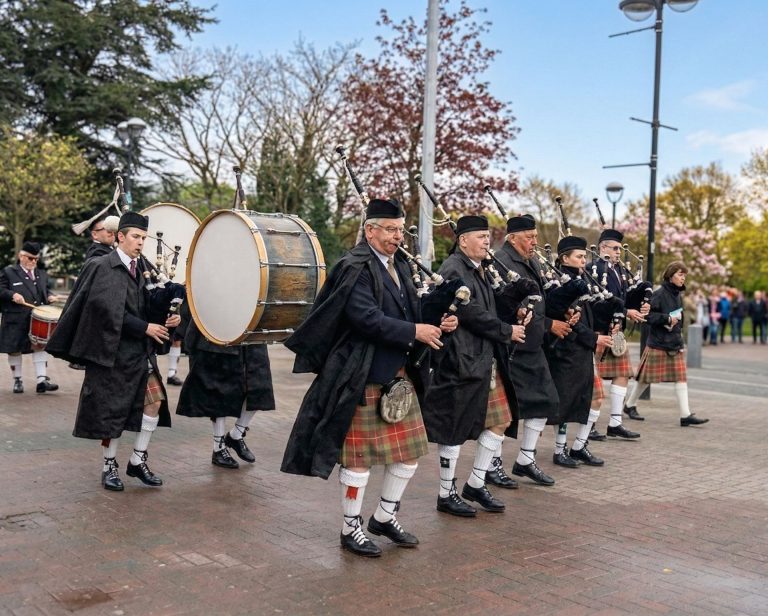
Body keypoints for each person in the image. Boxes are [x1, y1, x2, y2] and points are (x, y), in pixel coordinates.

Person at [281, 198, 454, 558]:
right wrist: (414, 331)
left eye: (400, 230)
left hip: (398, 373)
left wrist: (438, 320)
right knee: (358, 460)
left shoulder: (398, 265)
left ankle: (385, 517)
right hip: (363, 372)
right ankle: (350, 528)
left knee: (408, 455)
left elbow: (411, 309)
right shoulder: (354, 266)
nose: (397, 237)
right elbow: (365, 317)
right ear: (370, 229)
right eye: (389, 230)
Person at [46, 212, 178, 490]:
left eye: (144, 238)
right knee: (113, 410)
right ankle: (109, 465)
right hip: (110, 352)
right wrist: (144, 327)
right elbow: (105, 311)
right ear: (120, 237)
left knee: (154, 403)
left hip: (140, 353)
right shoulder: (102, 266)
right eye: (136, 237)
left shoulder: (146, 268)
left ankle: (137, 460)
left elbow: (153, 305)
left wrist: (169, 319)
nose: (141, 243)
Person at [420, 215, 525, 516]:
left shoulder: (479, 268)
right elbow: (472, 312)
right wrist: (507, 332)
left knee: (500, 419)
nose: (486, 241)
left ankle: (476, 483)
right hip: (460, 359)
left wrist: (516, 312)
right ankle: (445, 493)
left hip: (481, 358)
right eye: (480, 236)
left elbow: (491, 306)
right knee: (453, 428)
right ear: (463, 240)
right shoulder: (454, 268)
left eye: (487, 236)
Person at [492, 214, 561, 486]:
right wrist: (515, 312)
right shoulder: (501, 261)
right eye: (529, 237)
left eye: (535, 236)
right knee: (505, 411)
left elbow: (541, 296)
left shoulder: (531, 259)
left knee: (545, 400)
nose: (535, 241)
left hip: (533, 343)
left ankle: (525, 460)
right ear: (512, 238)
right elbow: (497, 300)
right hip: (511, 347)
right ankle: (492, 464)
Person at [545, 236, 612, 468]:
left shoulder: (581, 278)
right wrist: (593, 338)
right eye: (579, 257)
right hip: (565, 350)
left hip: (581, 351)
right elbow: (567, 320)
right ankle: (559, 449)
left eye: (585, 256)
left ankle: (579, 445)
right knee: (565, 401)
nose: (584, 260)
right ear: (564, 258)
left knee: (594, 397)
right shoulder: (559, 283)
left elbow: (588, 314)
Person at [176, 314, 275, 469]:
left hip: (252, 326)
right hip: (217, 325)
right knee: (219, 390)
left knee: (260, 387)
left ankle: (236, 434)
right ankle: (218, 448)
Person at [623, 262, 708, 427]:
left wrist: (679, 337)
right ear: (670, 276)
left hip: (674, 343)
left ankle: (685, 415)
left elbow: (678, 318)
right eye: (680, 274)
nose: (683, 278)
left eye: (684, 275)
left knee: (681, 378)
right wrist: (666, 319)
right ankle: (629, 405)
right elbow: (645, 316)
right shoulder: (659, 294)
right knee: (645, 379)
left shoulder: (678, 294)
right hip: (658, 343)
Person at [590, 229, 646, 435]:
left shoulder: (618, 271)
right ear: (602, 247)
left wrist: (638, 306)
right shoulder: (593, 268)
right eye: (614, 248)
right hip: (598, 329)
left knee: (622, 374)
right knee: (592, 381)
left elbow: (625, 299)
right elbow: (598, 301)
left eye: (619, 249)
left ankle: (615, 423)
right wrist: (625, 311)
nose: (618, 253)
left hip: (616, 330)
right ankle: (591, 424)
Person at [0, 241, 59, 393]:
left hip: (35, 319)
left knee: (40, 346)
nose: (33, 262)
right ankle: (17, 380)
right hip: (15, 319)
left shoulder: (41, 274)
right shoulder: (9, 271)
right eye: (30, 258)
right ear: (21, 256)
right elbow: (1, 289)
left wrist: (50, 296)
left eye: (36, 259)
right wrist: (12, 294)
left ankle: (41, 381)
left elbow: (45, 291)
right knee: (14, 349)